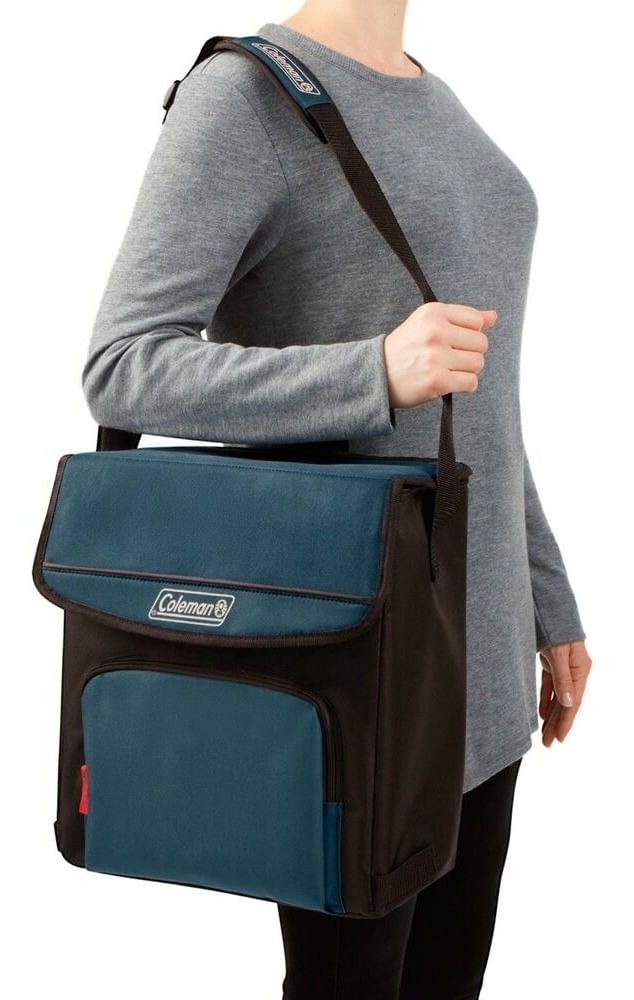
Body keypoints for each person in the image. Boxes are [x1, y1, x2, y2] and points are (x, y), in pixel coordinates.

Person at [82, 1, 593, 996]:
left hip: (480, 662)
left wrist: (547, 601)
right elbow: (122, 366)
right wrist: (372, 372)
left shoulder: (435, 96)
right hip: (360, 661)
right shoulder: (246, 96)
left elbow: (481, 407)